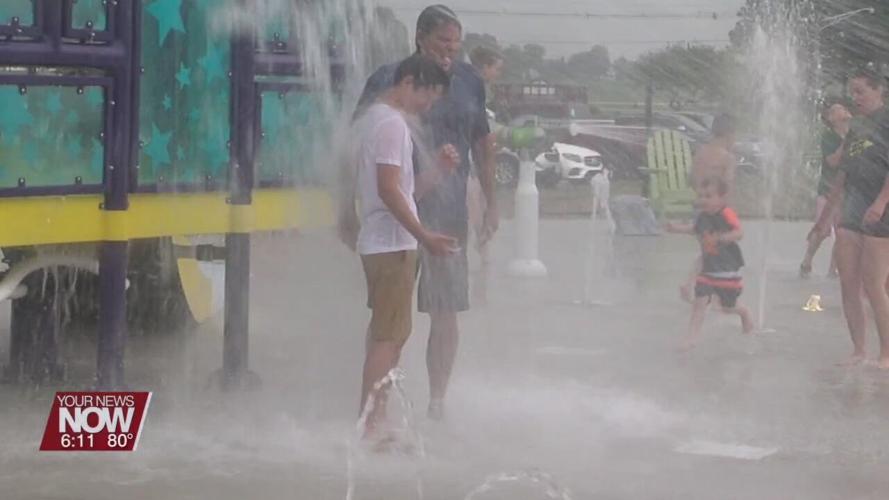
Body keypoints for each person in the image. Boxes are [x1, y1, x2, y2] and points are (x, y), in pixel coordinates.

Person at [346, 5, 499, 420]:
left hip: (445, 211)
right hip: (398, 213)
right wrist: (344, 207)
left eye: (456, 44)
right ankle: (375, 412)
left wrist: (492, 201)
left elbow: (484, 144)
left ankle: (436, 401)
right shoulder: (388, 81)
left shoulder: (468, 81)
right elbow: (357, 146)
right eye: (441, 43)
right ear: (420, 39)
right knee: (390, 319)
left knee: (445, 308)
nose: (450, 52)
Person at [349, 55, 460, 434]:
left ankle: (374, 419)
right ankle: (371, 426)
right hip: (390, 245)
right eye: (428, 97)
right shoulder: (392, 125)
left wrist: (438, 172)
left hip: (385, 242)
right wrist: (424, 235)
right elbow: (387, 189)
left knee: (387, 334)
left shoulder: (377, 120)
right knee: (389, 337)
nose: (429, 107)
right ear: (409, 82)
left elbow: (403, 190)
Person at [811, 67, 889, 368]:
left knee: (874, 284)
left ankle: (886, 353)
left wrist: (881, 202)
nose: (855, 97)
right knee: (849, 282)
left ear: (878, 90)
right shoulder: (857, 127)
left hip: (881, 211)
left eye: (861, 91)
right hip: (853, 209)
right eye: (852, 92)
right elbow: (842, 173)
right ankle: (859, 350)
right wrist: (824, 218)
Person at [668, 177, 754, 350]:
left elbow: (739, 232)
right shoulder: (702, 217)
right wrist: (676, 228)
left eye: (709, 196)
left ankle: (744, 314)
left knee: (727, 307)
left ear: (722, 198)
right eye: (701, 196)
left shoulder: (725, 213)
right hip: (708, 271)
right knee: (700, 303)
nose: (703, 200)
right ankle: (691, 338)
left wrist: (722, 238)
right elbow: (694, 229)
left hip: (727, 272)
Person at [680, 113, 739, 302]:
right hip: (717, 212)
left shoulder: (701, 152)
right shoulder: (727, 158)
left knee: (708, 251)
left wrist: (701, 195)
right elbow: (727, 186)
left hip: (699, 206)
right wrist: (727, 211)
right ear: (729, 134)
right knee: (714, 253)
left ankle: (698, 287)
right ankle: (698, 287)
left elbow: (691, 178)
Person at [467, 45, 504, 305]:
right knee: (474, 209)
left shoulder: (469, 89)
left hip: (470, 165)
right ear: (485, 67)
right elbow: (482, 139)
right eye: (496, 69)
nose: (497, 74)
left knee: (475, 208)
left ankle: (481, 255)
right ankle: (479, 257)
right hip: (468, 166)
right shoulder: (473, 89)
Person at [799, 99, 852, 278]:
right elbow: (832, 161)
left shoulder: (854, 135)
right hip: (828, 190)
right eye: (838, 109)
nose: (844, 110)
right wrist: (847, 143)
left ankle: (833, 269)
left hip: (846, 192)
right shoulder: (829, 137)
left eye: (843, 107)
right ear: (831, 118)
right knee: (822, 229)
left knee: (843, 232)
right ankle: (807, 261)